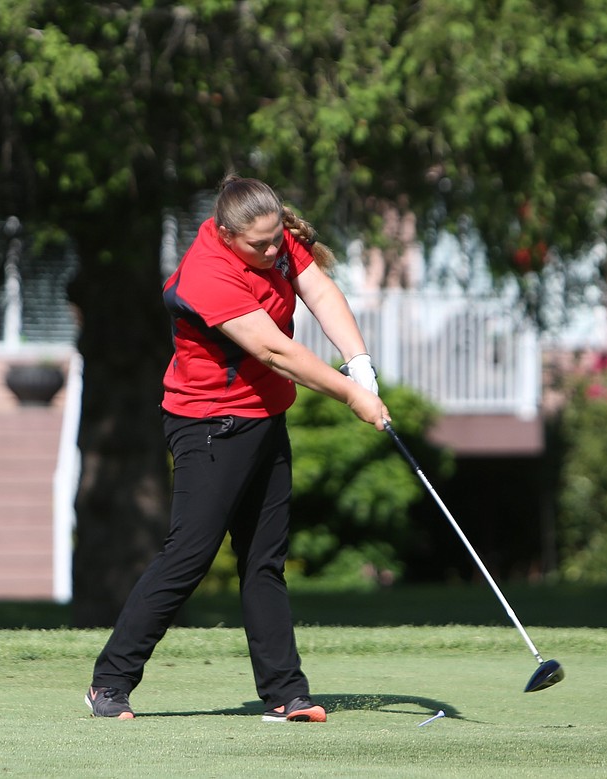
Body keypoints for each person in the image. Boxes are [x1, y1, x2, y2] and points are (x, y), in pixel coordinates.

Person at [85, 175, 387, 723]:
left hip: (265, 418)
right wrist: (350, 395)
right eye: (260, 245)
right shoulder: (207, 274)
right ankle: (110, 682)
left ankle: (285, 693)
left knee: (264, 561)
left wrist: (360, 364)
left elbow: (318, 289)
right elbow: (275, 351)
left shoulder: (273, 240)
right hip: (208, 424)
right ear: (226, 234)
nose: (274, 252)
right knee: (190, 555)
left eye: (278, 240)